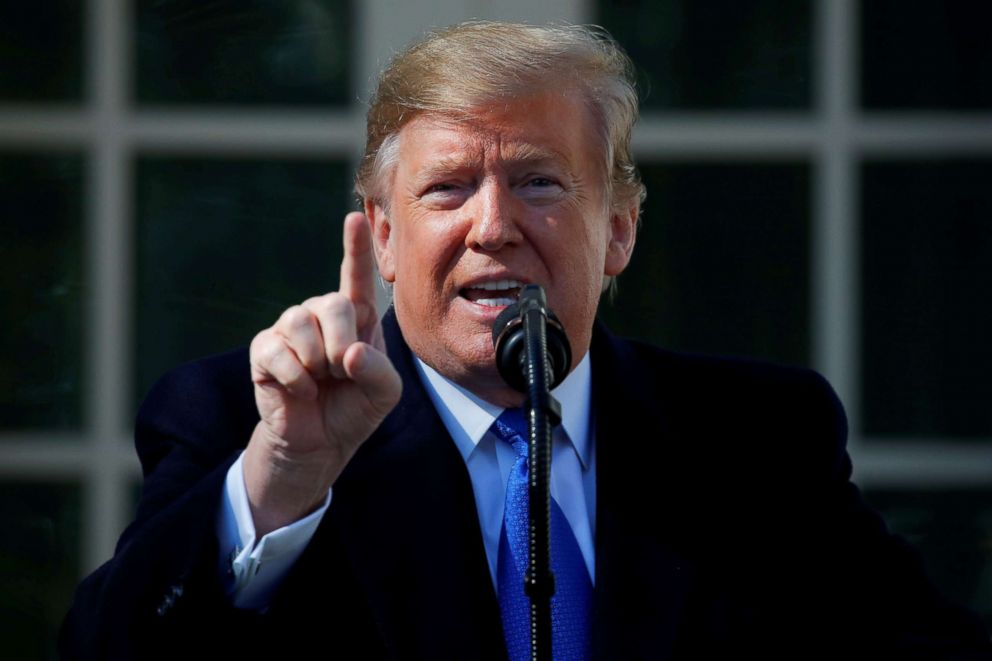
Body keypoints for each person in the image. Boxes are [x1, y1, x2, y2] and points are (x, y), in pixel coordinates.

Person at [61, 21, 990, 660]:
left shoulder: (755, 433)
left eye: (541, 182)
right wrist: (281, 482)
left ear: (619, 227)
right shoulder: (241, 420)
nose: (493, 225)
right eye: (447, 188)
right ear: (382, 234)